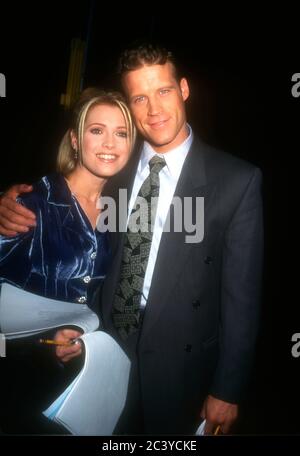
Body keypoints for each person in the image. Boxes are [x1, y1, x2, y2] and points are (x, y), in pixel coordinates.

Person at [0, 43, 263, 435]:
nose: (154, 110)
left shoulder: (236, 181)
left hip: (182, 365)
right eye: (140, 97)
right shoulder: (116, 163)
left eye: (164, 91)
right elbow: (70, 198)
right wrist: (11, 202)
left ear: (184, 90)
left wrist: (228, 389)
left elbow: (242, 298)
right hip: (107, 349)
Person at [0, 88, 136, 433]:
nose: (109, 143)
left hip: (85, 384)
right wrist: (43, 339)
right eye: (97, 130)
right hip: (20, 384)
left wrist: (81, 332)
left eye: (121, 133)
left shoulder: (124, 213)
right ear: (75, 140)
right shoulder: (33, 204)